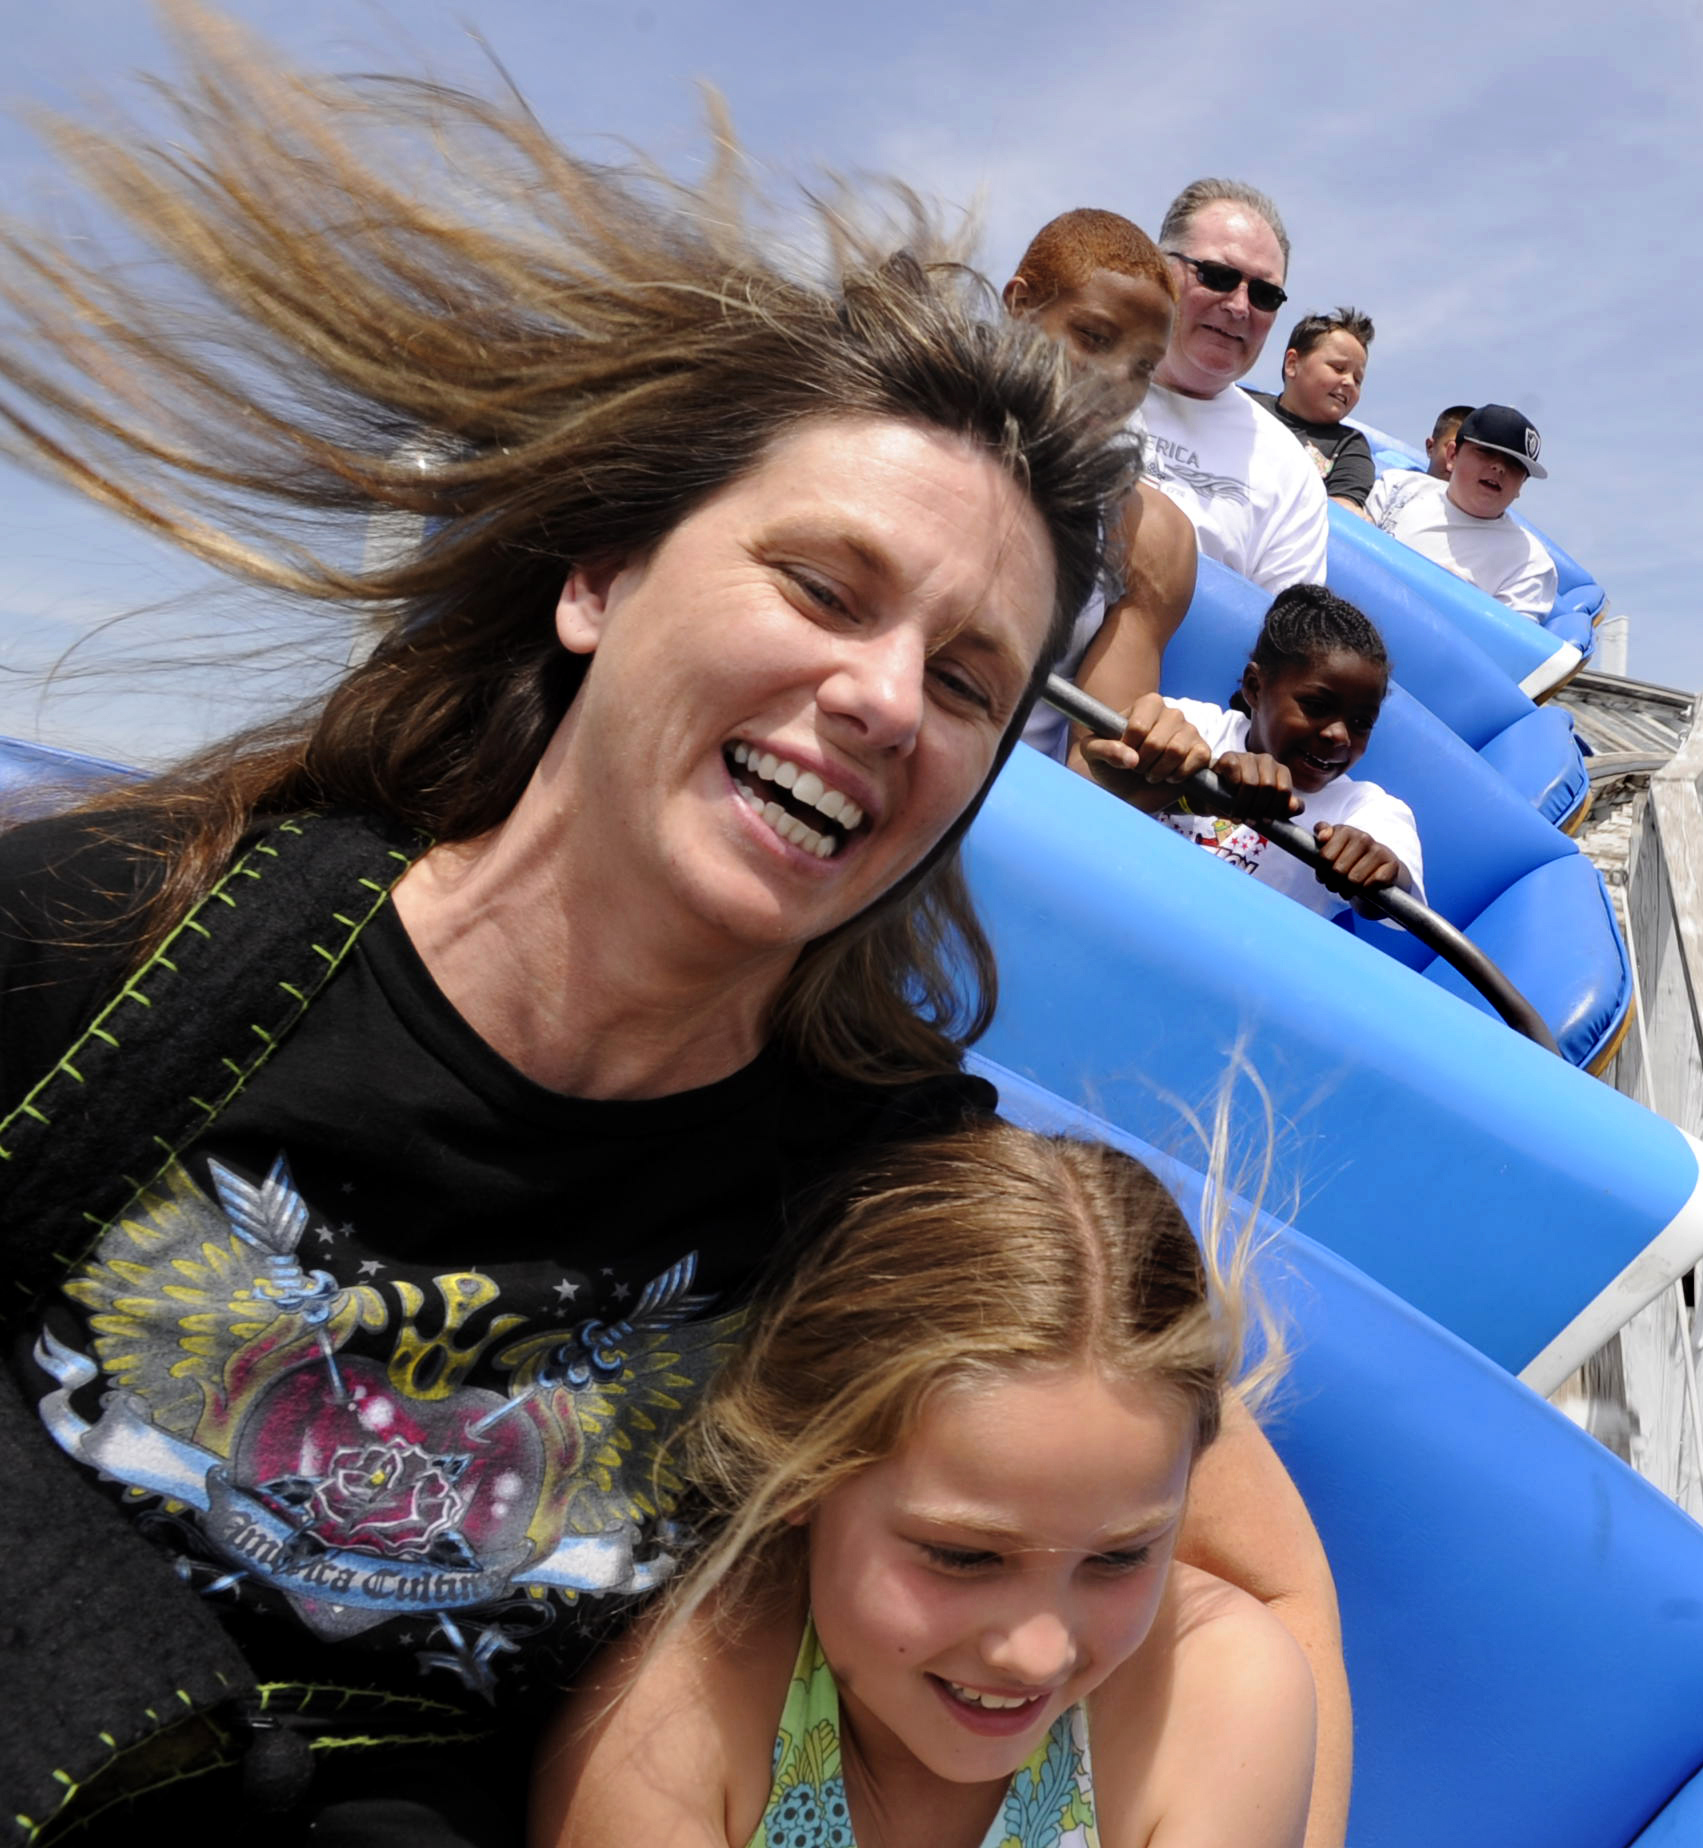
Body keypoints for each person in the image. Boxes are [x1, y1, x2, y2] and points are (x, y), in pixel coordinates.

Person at [0, 17, 1349, 1845]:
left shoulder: (877, 1182)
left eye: (965, 677)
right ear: (600, 578)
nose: (882, 696)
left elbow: (1256, 1583)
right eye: (820, 586)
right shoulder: (122, 935)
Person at [533, 1121, 1316, 1848]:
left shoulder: (1213, 1695)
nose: (1038, 1654)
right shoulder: (679, 1722)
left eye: (1119, 1558)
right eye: (964, 1557)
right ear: (803, 1466)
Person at [999, 209, 1208, 778]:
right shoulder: (898, 438)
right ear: (1020, 305)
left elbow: (1093, 767)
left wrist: (1148, 764)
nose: (1117, 381)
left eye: (1144, 366)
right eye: (1092, 338)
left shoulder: (1148, 535)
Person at [1148, 587, 1422, 922]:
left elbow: (1395, 903)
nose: (1339, 735)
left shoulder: (1363, 808)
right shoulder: (1191, 725)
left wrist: (1372, 867)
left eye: (1361, 723)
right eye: (1316, 706)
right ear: (1254, 687)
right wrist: (1192, 782)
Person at [1136, 180, 1329, 593]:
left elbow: (1279, 639)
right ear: (1158, 268)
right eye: (1218, 276)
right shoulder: (1066, 383)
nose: (1240, 307)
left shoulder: (1289, 473)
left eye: (1265, 294)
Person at [1364, 404, 1558, 620]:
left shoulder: (1530, 561)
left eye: (1514, 464)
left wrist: (1458, 599)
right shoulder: (1398, 486)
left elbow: (1504, 647)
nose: (1499, 468)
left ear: (1522, 484)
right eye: (1486, 452)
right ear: (1452, 455)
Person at [1246, 309, 1376, 512]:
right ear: (1292, 364)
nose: (1349, 382)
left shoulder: (1349, 446)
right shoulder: (1243, 404)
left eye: (1358, 379)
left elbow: (1344, 511)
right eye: (1338, 368)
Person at [1422, 404, 1473, 480]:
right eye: (1454, 450)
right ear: (1430, 447)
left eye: (1470, 455)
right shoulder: (1401, 486)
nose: (1459, 462)